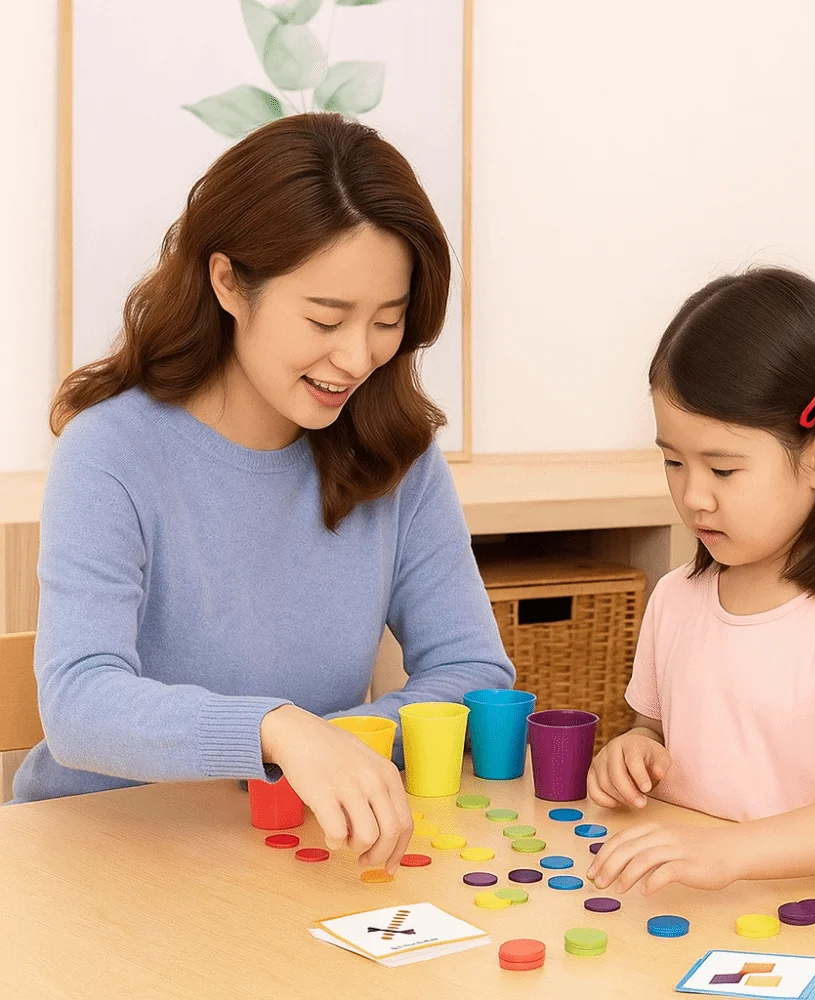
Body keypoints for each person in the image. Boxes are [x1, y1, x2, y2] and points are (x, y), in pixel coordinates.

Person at [12, 114, 515, 877]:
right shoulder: (112, 451)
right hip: (103, 853)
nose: (356, 357)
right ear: (227, 283)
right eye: (325, 318)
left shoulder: (397, 455)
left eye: (388, 321)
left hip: (288, 849)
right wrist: (278, 732)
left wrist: (336, 743)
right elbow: (81, 703)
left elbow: (475, 673)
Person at [586, 268, 815, 894]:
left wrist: (732, 851)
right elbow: (656, 731)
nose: (693, 496)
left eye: (723, 468)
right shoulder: (676, 599)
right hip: (692, 915)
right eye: (673, 461)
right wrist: (632, 752)